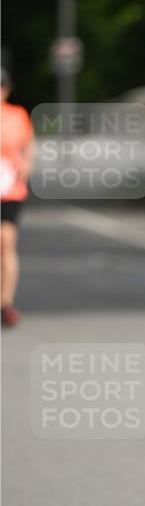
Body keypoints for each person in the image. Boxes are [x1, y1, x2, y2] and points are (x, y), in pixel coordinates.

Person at [1, 67, 34, 326]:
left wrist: (26, 164)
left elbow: (28, 145)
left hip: (9, 188)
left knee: (6, 241)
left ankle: (6, 302)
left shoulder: (17, 115)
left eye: (2, 85)